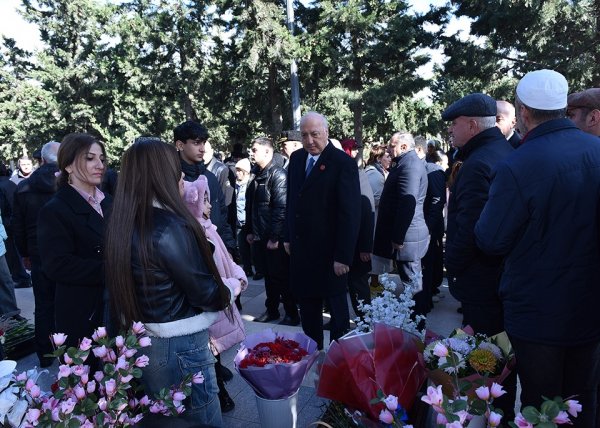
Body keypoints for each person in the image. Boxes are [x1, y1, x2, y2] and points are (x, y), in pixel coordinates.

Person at [475, 70, 600, 427]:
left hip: (538, 313)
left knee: (541, 407)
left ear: (523, 112)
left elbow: (490, 239)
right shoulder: (596, 150)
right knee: (583, 402)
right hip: (590, 307)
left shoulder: (518, 164)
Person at [106, 138, 233, 427]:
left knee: (167, 418)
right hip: (180, 344)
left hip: (147, 341)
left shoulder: (124, 221)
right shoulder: (169, 226)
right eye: (177, 170)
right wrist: (230, 288)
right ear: (164, 175)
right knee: (201, 417)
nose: (182, 179)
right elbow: (207, 293)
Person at [284, 112, 361, 349]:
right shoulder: (297, 159)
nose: (309, 141)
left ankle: (338, 361)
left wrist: (343, 256)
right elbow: (292, 202)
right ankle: (312, 354)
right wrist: (288, 236)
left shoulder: (342, 163)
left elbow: (350, 214)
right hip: (303, 250)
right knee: (309, 310)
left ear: (326, 133)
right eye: (304, 135)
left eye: (314, 134)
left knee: (338, 314)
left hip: (331, 254)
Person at [37, 133, 111, 349]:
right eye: (90, 158)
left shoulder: (109, 202)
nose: (99, 165)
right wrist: (113, 270)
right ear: (68, 165)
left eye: (102, 158)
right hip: (85, 311)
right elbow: (57, 265)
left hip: (117, 306)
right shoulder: (55, 210)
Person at [183, 176, 247, 414]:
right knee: (211, 351)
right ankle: (218, 393)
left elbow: (226, 261)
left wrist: (238, 276)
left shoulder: (209, 229)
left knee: (215, 351)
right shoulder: (197, 233)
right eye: (205, 201)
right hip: (214, 301)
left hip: (223, 297)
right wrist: (233, 283)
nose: (210, 206)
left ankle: (218, 388)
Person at [12, 141, 60, 367]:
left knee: (43, 305)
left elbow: (17, 226)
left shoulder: (23, 188)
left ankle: (44, 355)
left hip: (38, 252)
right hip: (66, 252)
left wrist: (24, 253)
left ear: (41, 160)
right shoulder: (68, 183)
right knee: (69, 302)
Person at [372, 132, 429, 319]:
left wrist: (398, 237)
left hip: (408, 237)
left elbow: (407, 203)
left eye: (392, 145)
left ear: (404, 147)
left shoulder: (409, 166)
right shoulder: (405, 163)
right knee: (411, 285)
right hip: (407, 235)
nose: (388, 149)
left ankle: (416, 329)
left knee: (412, 287)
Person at [246, 137, 300, 326]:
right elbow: (252, 206)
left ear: (268, 152)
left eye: (255, 150)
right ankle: (272, 310)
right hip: (261, 236)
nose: (251, 153)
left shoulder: (277, 175)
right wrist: (250, 231)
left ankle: (292, 314)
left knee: (281, 278)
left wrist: (275, 237)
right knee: (269, 278)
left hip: (273, 238)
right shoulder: (257, 174)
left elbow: (281, 208)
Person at [174, 121, 237, 255]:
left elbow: (223, 217)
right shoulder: (172, 179)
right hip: (187, 255)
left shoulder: (211, 178)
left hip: (218, 254)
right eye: (196, 143)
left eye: (203, 143)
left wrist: (229, 250)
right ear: (180, 145)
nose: (202, 148)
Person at [414, 137, 446, 310]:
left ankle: (425, 301)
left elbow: (436, 201)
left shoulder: (433, 171)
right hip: (420, 229)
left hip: (428, 229)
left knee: (427, 268)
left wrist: (427, 228)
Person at [234, 158, 253, 277]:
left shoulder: (250, 183)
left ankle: (258, 268)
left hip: (248, 221)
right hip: (238, 222)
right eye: (236, 170)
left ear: (245, 171)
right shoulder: (235, 184)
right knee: (242, 248)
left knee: (253, 248)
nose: (237, 173)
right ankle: (247, 268)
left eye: (239, 170)